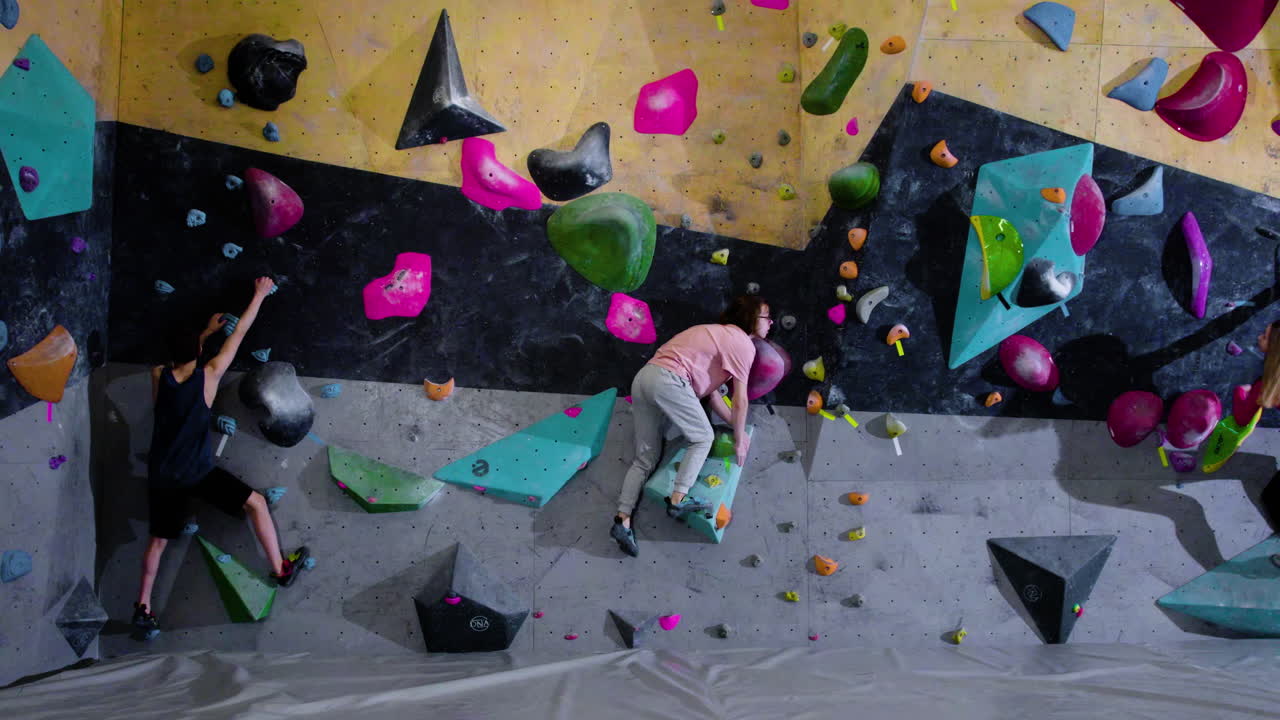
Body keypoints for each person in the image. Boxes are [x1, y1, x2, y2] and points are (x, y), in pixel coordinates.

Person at [132, 277, 308, 634]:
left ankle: (143, 606)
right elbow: (239, 333)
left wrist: (202, 335)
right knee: (256, 502)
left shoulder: (157, 376)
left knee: (158, 542)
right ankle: (280, 568)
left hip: (164, 475)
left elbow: (181, 359)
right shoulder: (209, 377)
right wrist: (257, 294)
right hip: (199, 473)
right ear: (198, 353)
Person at [610, 295, 772, 557]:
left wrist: (734, 424)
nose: (771, 323)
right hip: (670, 380)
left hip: (645, 379)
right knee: (703, 437)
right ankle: (679, 499)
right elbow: (740, 400)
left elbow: (714, 396)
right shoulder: (742, 343)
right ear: (751, 319)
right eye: (767, 317)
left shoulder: (716, 336)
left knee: (644, 459)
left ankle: (622, 520)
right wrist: (740, 439)